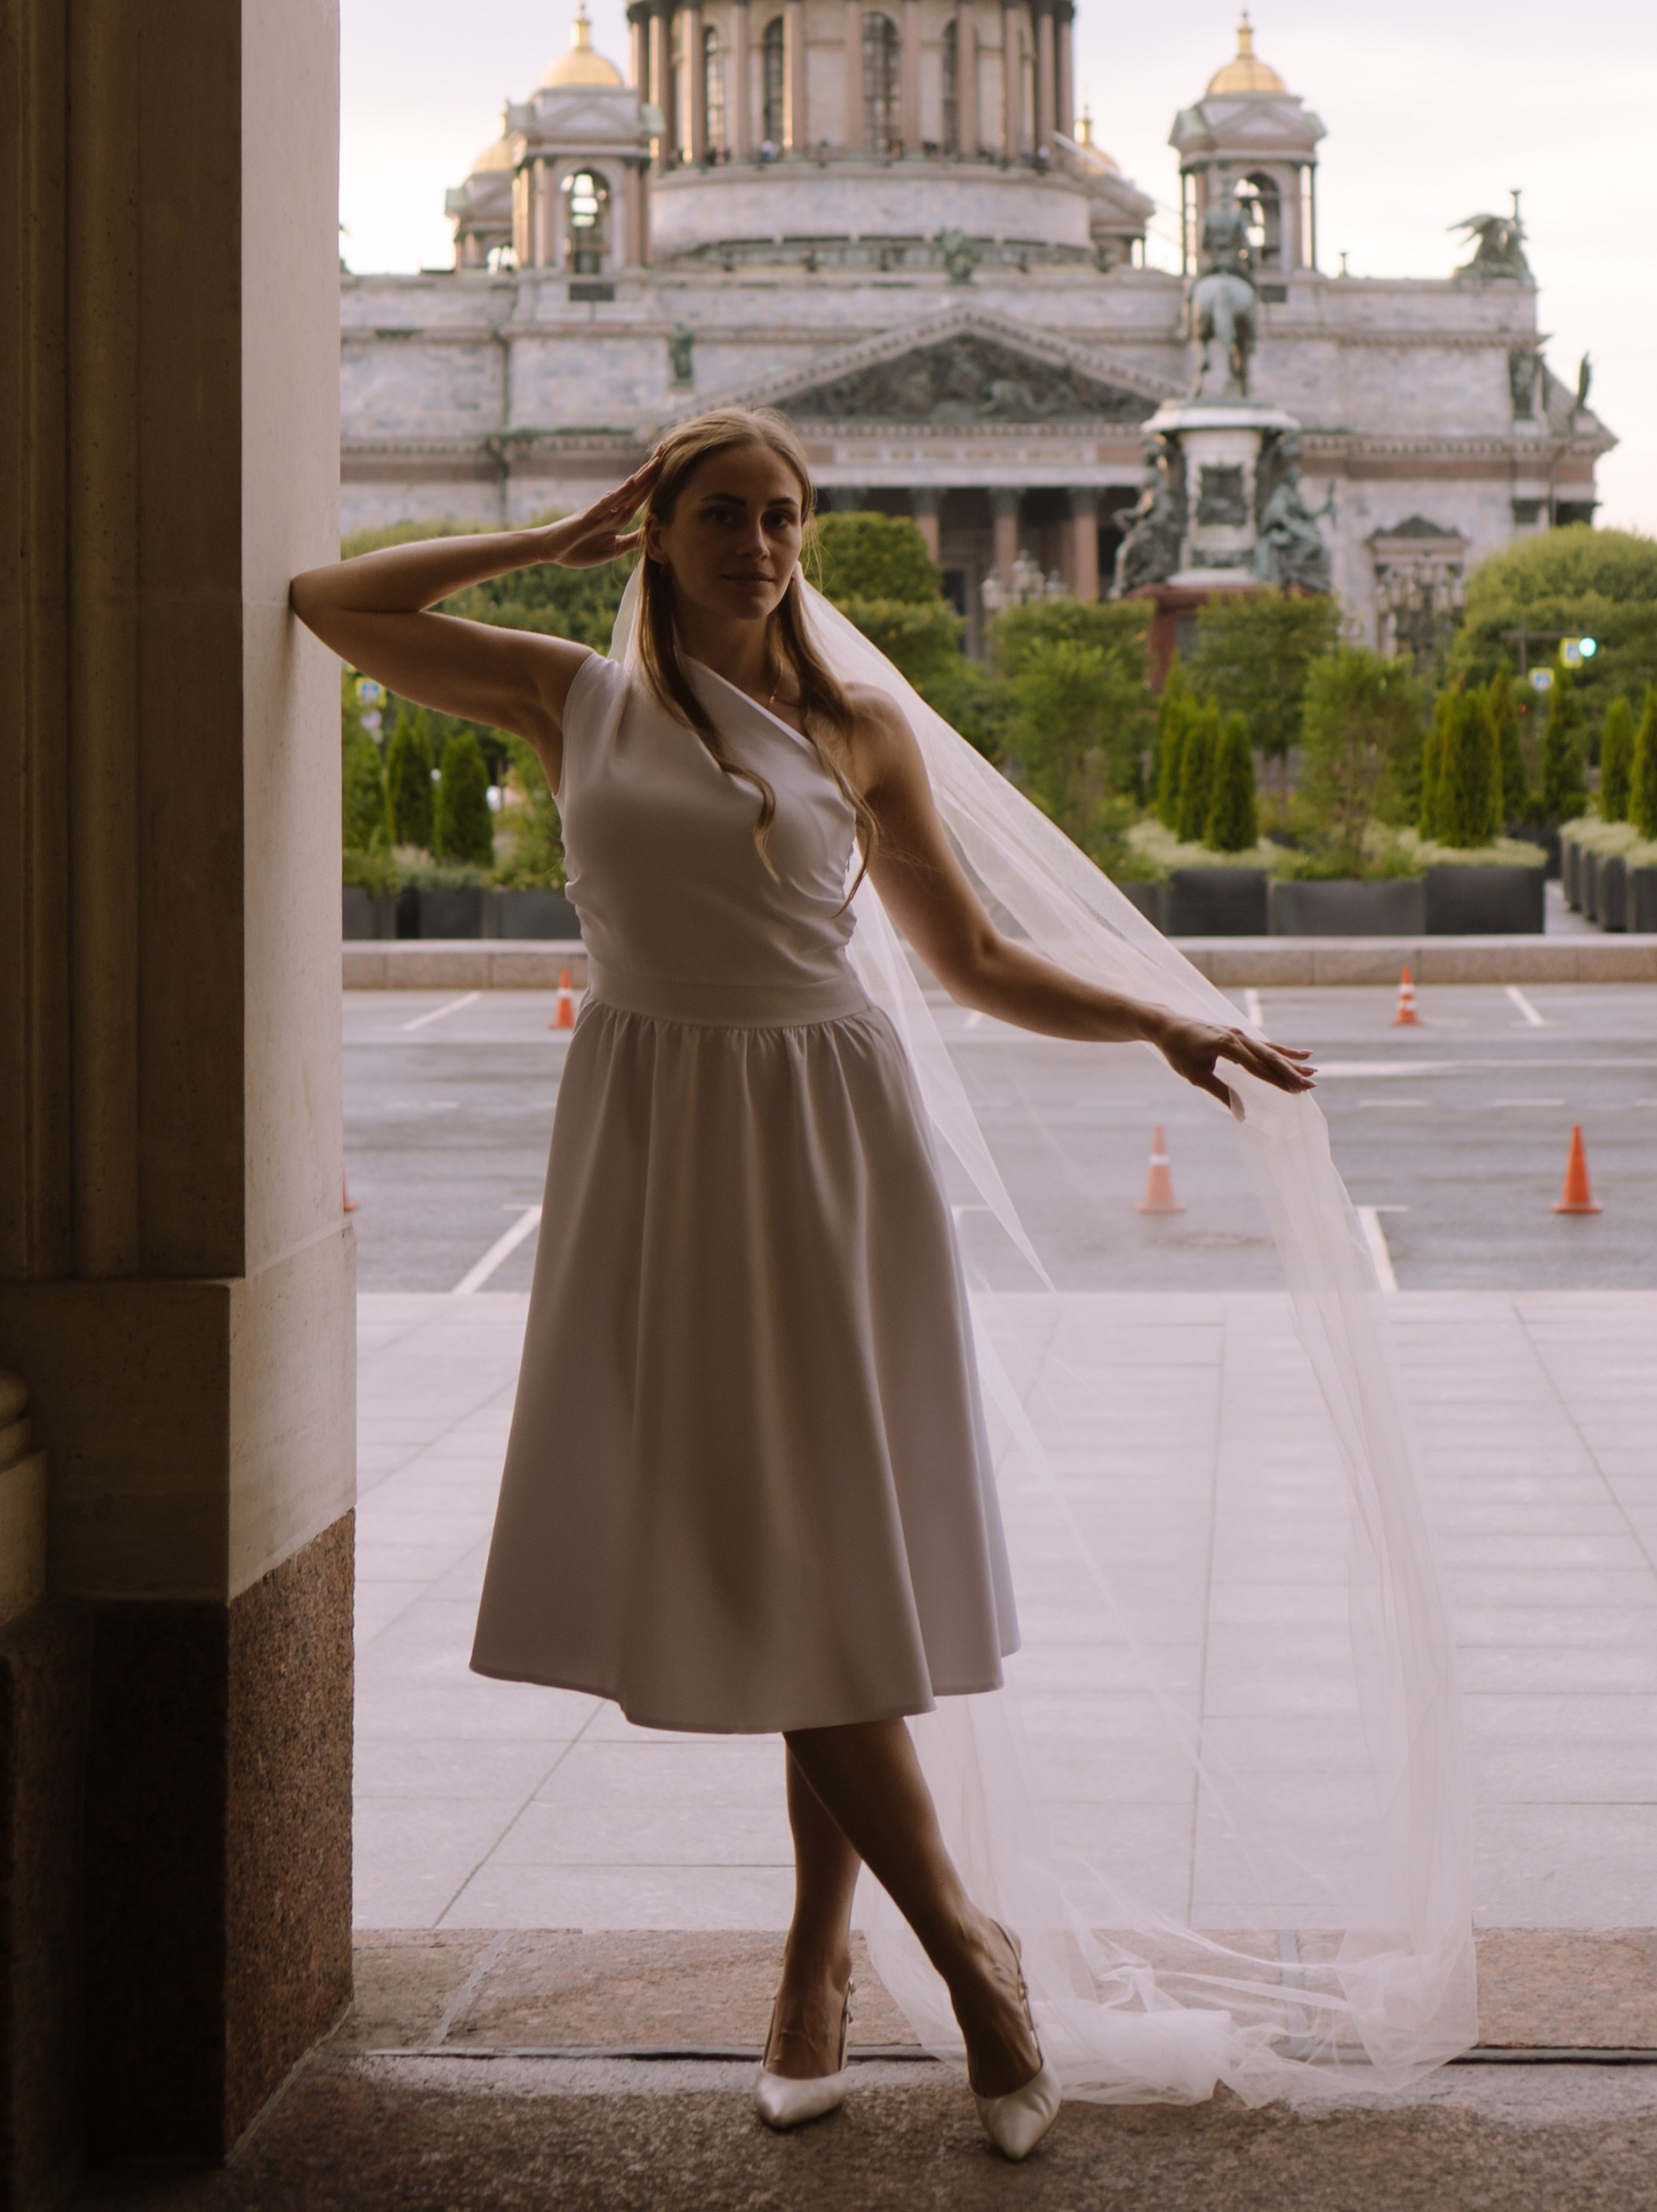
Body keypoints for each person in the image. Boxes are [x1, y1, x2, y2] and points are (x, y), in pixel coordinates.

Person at [292, 410, 1315, 2158]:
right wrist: (542, 539)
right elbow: (331, 602)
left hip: (827, 1132)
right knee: (763, 1550)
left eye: (779, 519)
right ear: (654, 529)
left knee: (818, 1549)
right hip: (653, 1136)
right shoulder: (569, 694)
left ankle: (879, 1970)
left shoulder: (860, 726)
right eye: (715, 516)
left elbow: (975, 959)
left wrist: (1161, 1019)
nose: (754, 546)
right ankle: (907, 1950)